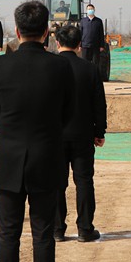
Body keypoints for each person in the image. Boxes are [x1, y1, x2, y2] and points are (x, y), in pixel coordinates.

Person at [0, 1, 75, 262]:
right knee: (43, 233)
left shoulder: (0, 66)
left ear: (16, 30)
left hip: (9, 159)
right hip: (46, 158)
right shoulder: (60, 67)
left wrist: (13, 133)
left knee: (8, 232)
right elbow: (67, 113)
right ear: (46, 31)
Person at [53, 25, 107, 243]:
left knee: (57, 183)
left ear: (57, 43)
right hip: (83, 134)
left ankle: (57, 229)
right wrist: (99, 131)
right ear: (79, 45)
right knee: (84, 181)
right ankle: (85, 229)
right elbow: (99, 104)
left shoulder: (49, 67)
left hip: (54, 135)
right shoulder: (89, 69)